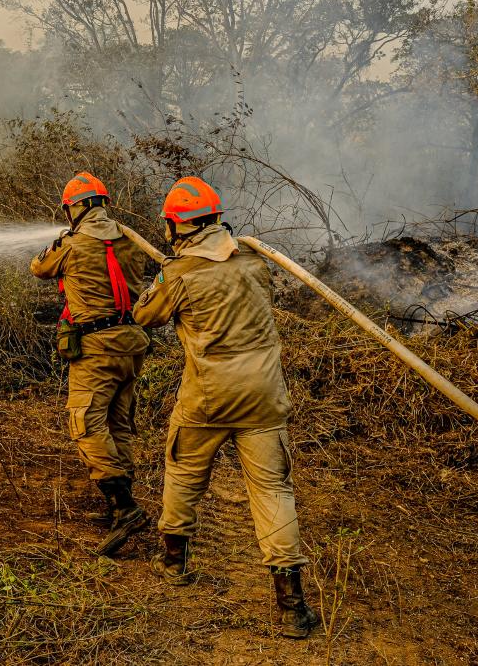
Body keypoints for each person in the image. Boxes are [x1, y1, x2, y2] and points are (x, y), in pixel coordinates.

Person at [133, 176, 319, 639]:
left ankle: (174, 561)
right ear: (217, 217)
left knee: (183, 472)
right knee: (274, 491)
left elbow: (143, 316)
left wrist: (165, 274)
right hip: (264, 396)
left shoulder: (178, 275)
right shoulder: (257, 263)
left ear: (177, 226)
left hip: (207, 398)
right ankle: (292, 605)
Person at [30, 172, 151, 556]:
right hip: (131, 342)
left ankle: (124, 506)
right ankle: (120, 505)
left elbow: (39, 267)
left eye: (68, 209)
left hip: (96, 347)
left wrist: (59, 243)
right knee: (119, 424)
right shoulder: (130, 240)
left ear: (76, 207)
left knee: (85, 422)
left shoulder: (71, 244)